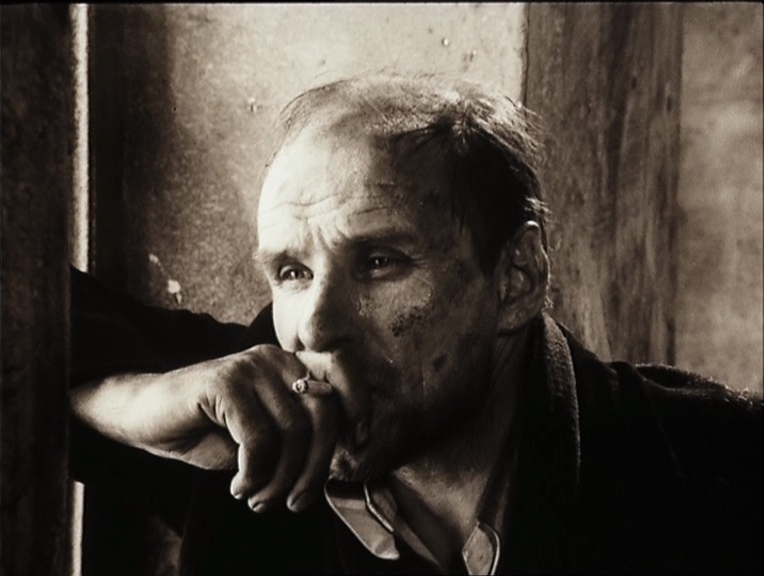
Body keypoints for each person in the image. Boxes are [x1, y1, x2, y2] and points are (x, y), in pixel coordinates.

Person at [70, 73, 762, 575]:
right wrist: (132, 400)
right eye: (291, 271)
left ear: (518, 278)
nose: (314, 328)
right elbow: (39, 326)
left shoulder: (718, 469)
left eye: (379, 262)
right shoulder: (250, 420)